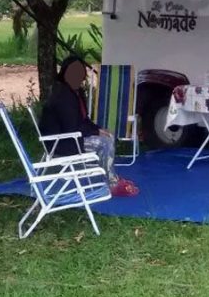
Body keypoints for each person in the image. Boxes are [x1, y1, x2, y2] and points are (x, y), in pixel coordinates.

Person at [39, 56, 139, 197]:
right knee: (104, 143)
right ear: (65, 73)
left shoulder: (76, 92)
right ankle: (112, 183)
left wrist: (99, 129)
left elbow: (83, 119)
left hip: (71, 136)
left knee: (108, 135)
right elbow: (72, 127)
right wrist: (96, 132)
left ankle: (111, 177)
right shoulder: (63, 95)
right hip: (60, 142)